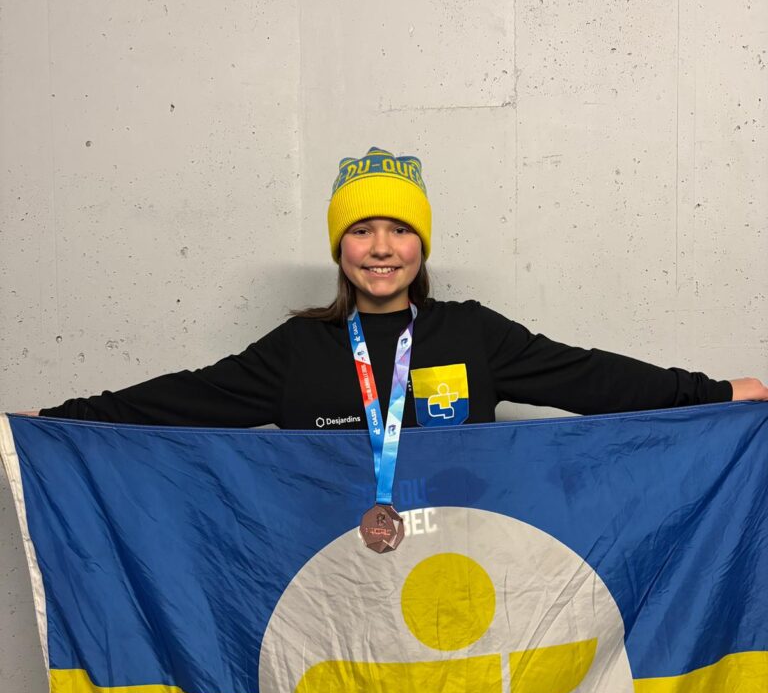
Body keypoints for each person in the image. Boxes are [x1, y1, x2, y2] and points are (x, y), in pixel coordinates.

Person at [30, 146, 768, 426]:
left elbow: (589, 378)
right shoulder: (298, 349)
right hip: (327, 583)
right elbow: (187, 398)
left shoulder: (472, 333)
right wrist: (61, 421)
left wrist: (709, 393)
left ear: (422, 245)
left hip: (462, 574)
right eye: (361, 230)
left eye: (400, 230)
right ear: (339, 248)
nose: (381, 249)